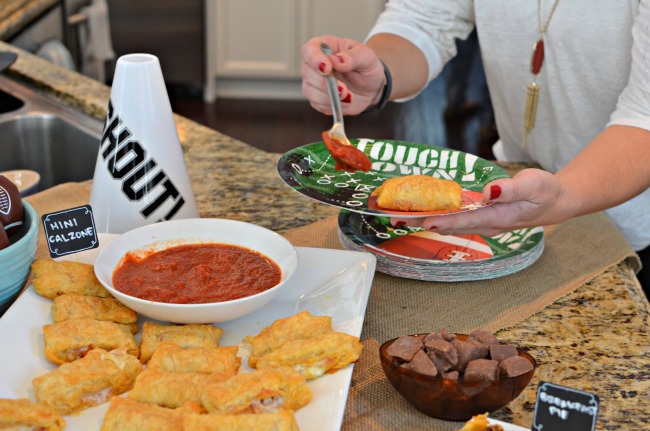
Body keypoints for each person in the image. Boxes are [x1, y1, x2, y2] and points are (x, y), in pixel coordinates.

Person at [300, 1, 650, 294]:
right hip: (520, 195)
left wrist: (563, 195)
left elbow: (645, 115)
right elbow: (425, 16)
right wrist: (378, 75)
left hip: (628, 226)